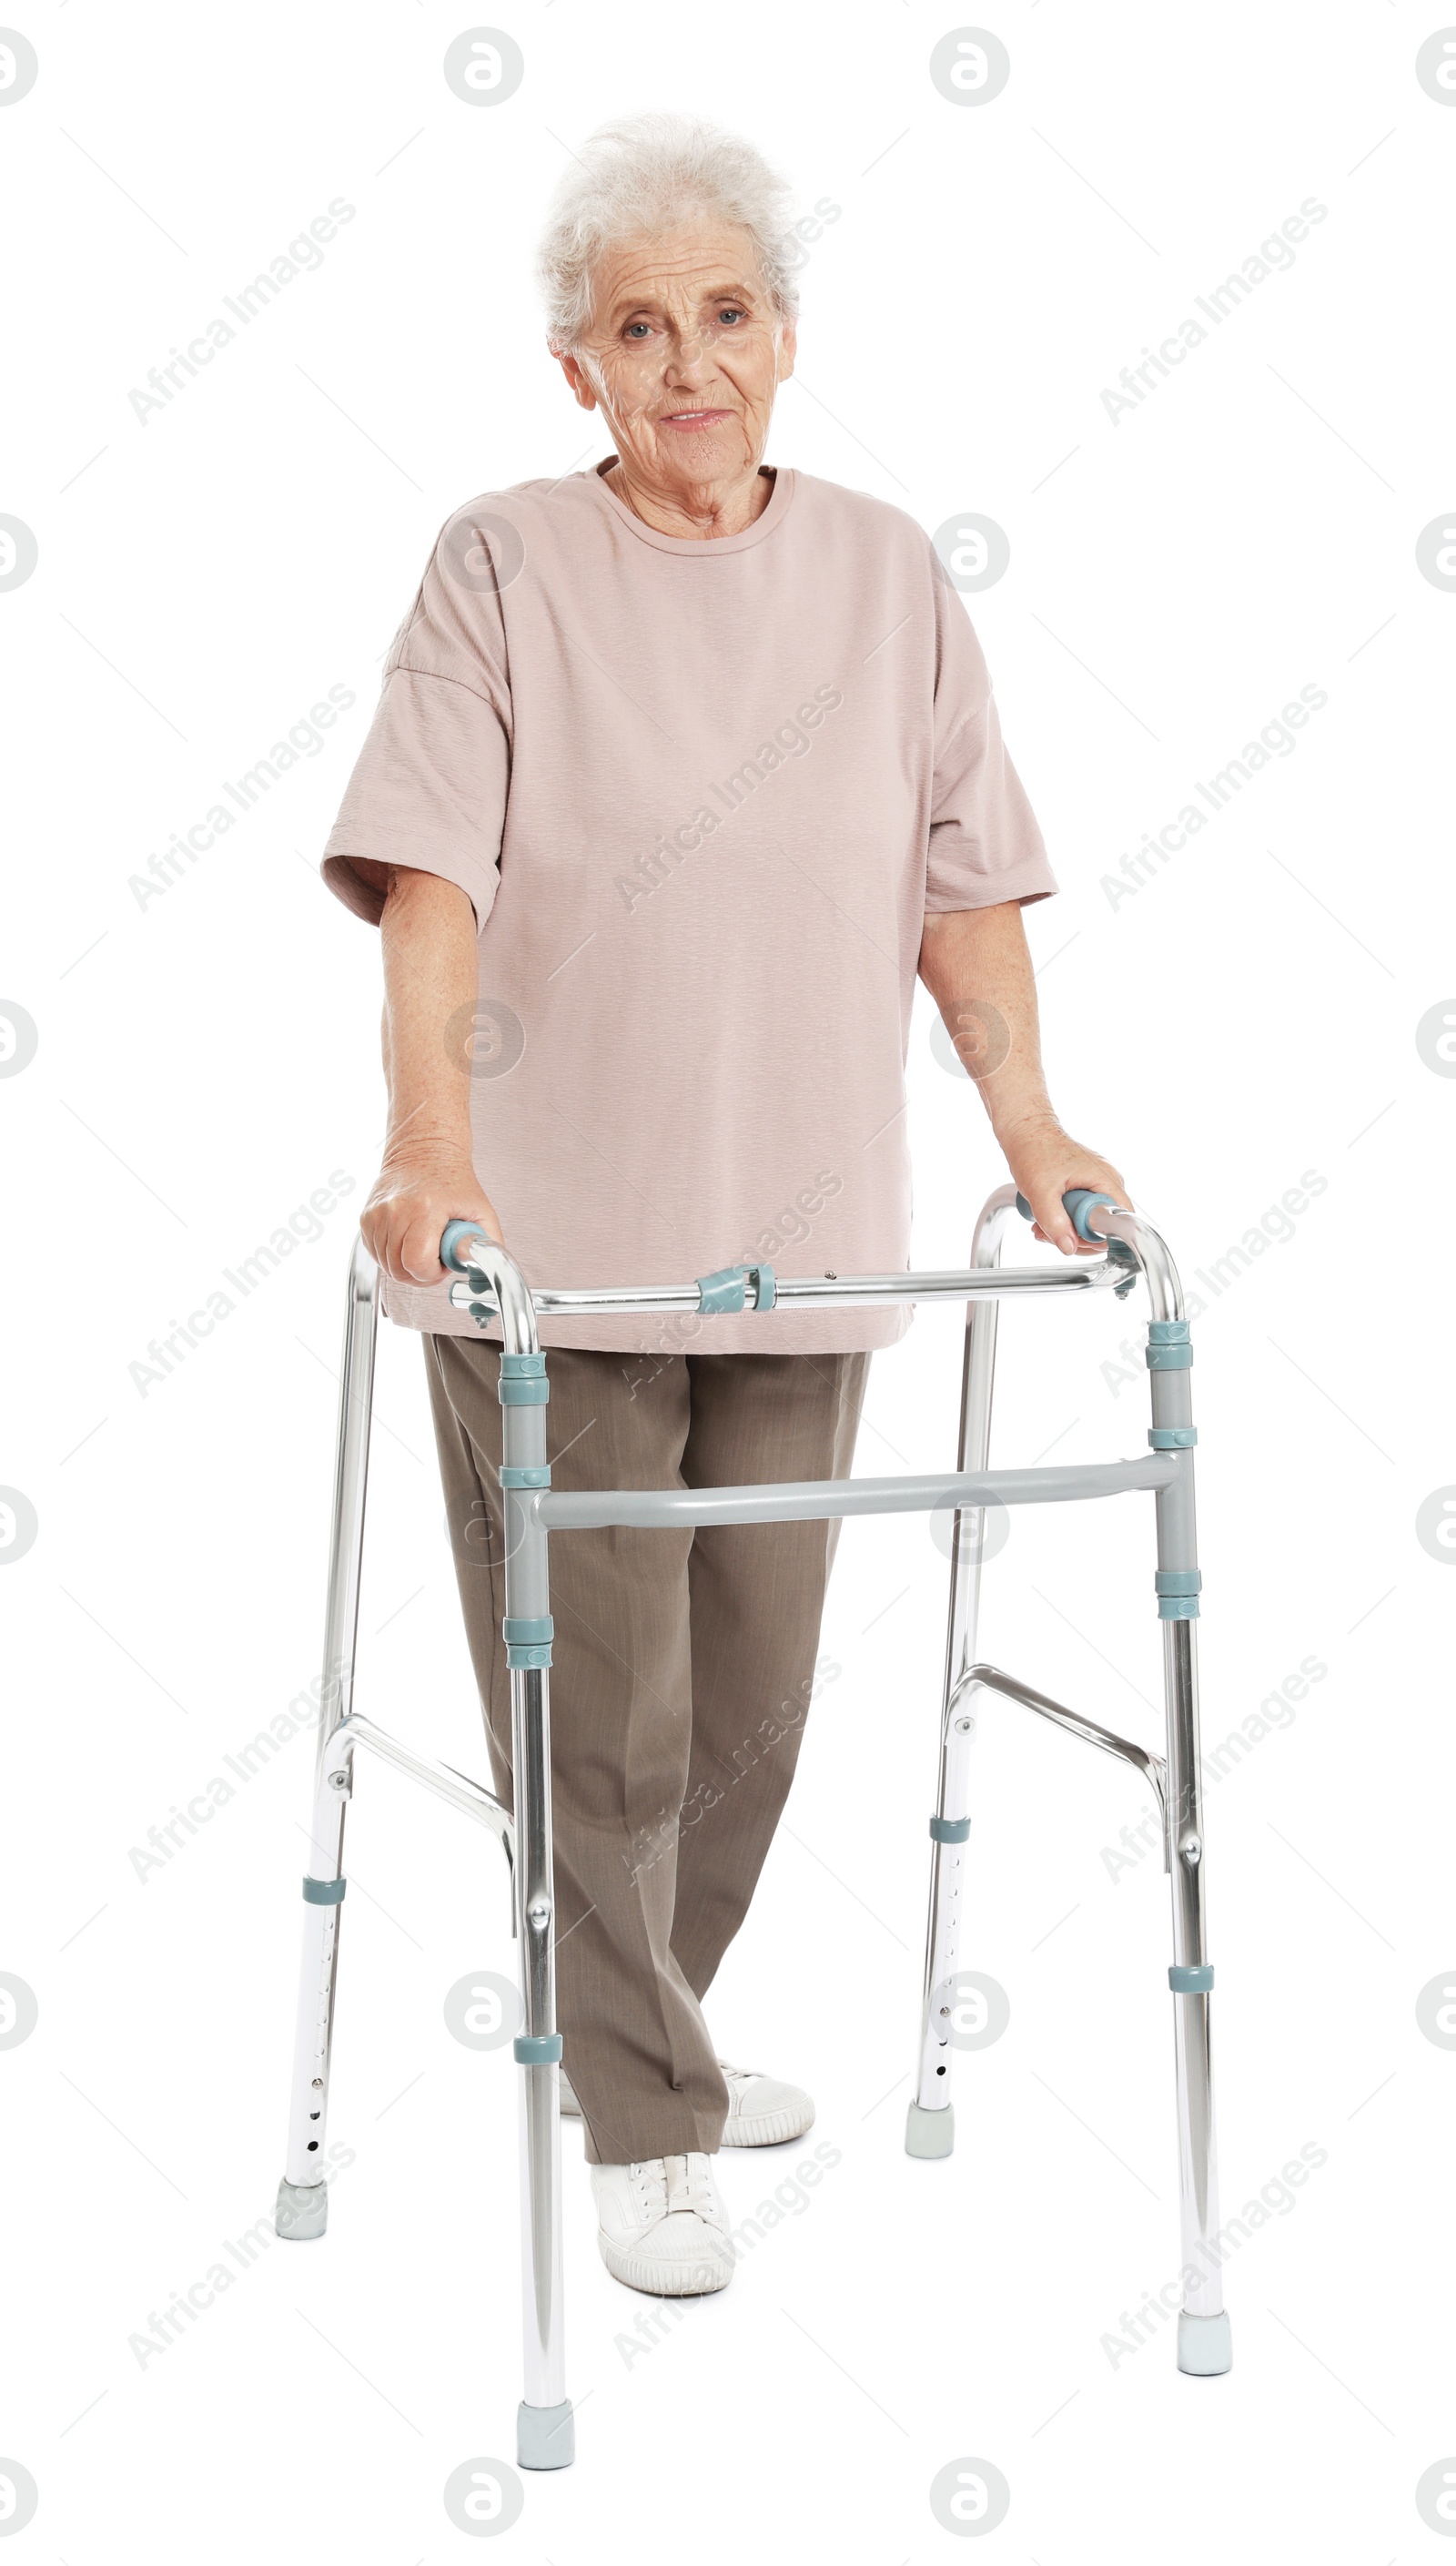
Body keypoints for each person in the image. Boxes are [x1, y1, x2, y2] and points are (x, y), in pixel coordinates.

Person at [320, 111, 1127, 2298]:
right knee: (611, 1709)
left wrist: (1028, 1126)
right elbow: (429, 881)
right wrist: (429, 1153)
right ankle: (645, 2108)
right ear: (573, 368)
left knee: (755, 1705)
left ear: (789, 332)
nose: (692, 364)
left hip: (803, 1229)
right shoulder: (499, 562)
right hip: (552, 1251)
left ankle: (633, 2037)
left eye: (730, 315)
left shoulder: (883, 571)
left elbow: (962, 886)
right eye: (639, 328)